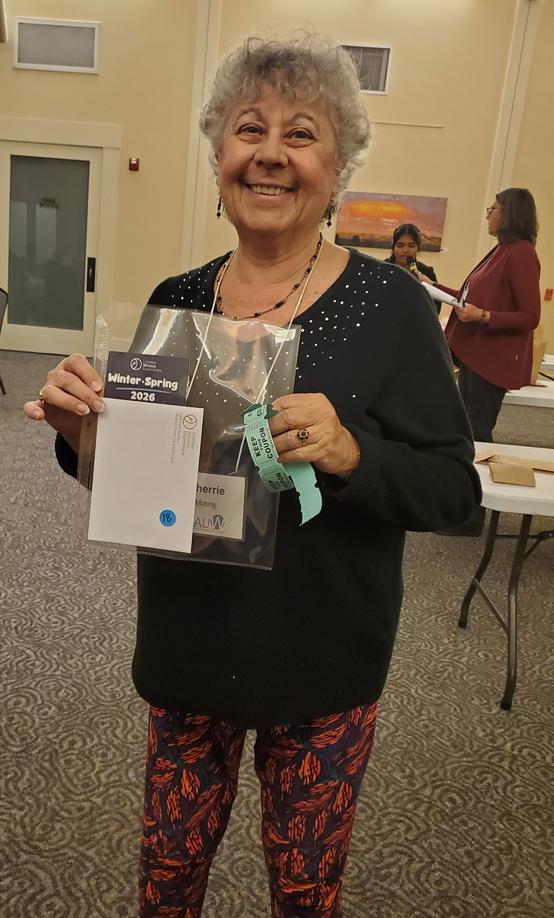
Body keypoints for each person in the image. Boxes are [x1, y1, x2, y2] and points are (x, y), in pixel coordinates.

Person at [24, 35, 480, 918]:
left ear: (337, 166)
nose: (270, 153)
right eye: (248, 129)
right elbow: (132, 481)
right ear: (219, 155)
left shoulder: (391, 308)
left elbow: (454, 491)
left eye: (300, 134)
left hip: (322, 666)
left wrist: (350, 453)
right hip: (189, 651)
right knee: (165, 882)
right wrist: (85, 437)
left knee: (304, 894)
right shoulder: (177, 301)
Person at [434, 187, 541, 443]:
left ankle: (477, 470)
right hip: (476, 355)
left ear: (510, 214)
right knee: (465, 429)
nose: (487, 215)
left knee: (477, 432)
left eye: (492, 210)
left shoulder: (521, 253)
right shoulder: (501, 250)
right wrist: (431, 285)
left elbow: (530, 316)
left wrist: (483, 316)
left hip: (491, 359)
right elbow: (468, 299)